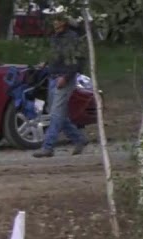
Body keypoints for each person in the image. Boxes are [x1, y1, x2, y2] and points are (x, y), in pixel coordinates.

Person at [33, 10, 89, 158]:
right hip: (53, 77)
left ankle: (48, 147)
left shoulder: (72, 38)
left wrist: (66, 76)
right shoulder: (55, 37)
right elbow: (54, 55)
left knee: (56, 114)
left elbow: (76, 61)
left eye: (57, 20)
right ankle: (79, 138)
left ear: (64, 22)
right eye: (53, 20)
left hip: (64, 79)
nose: (54, 22)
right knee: (56, 113)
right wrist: (45, 62)